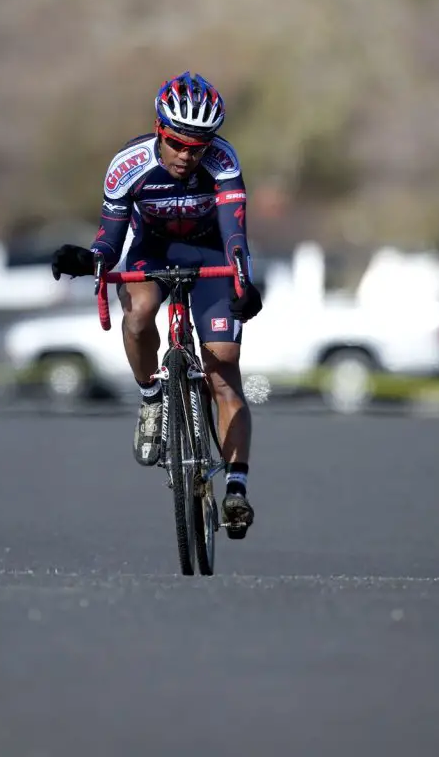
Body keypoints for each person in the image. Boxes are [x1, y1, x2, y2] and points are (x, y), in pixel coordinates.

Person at [52, 72, 263, 533]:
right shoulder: (127, 165)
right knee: (140, 311)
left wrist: (243, 280)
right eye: (177, 143)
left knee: (224, 370)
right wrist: (90, 258)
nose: (188, 156)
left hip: (210, 256)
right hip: (153, 252)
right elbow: (109, 240)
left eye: (198, 146)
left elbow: (235, 236)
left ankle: (236, 490)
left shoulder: (223, 161)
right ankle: (151, 397)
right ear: (158, 131)